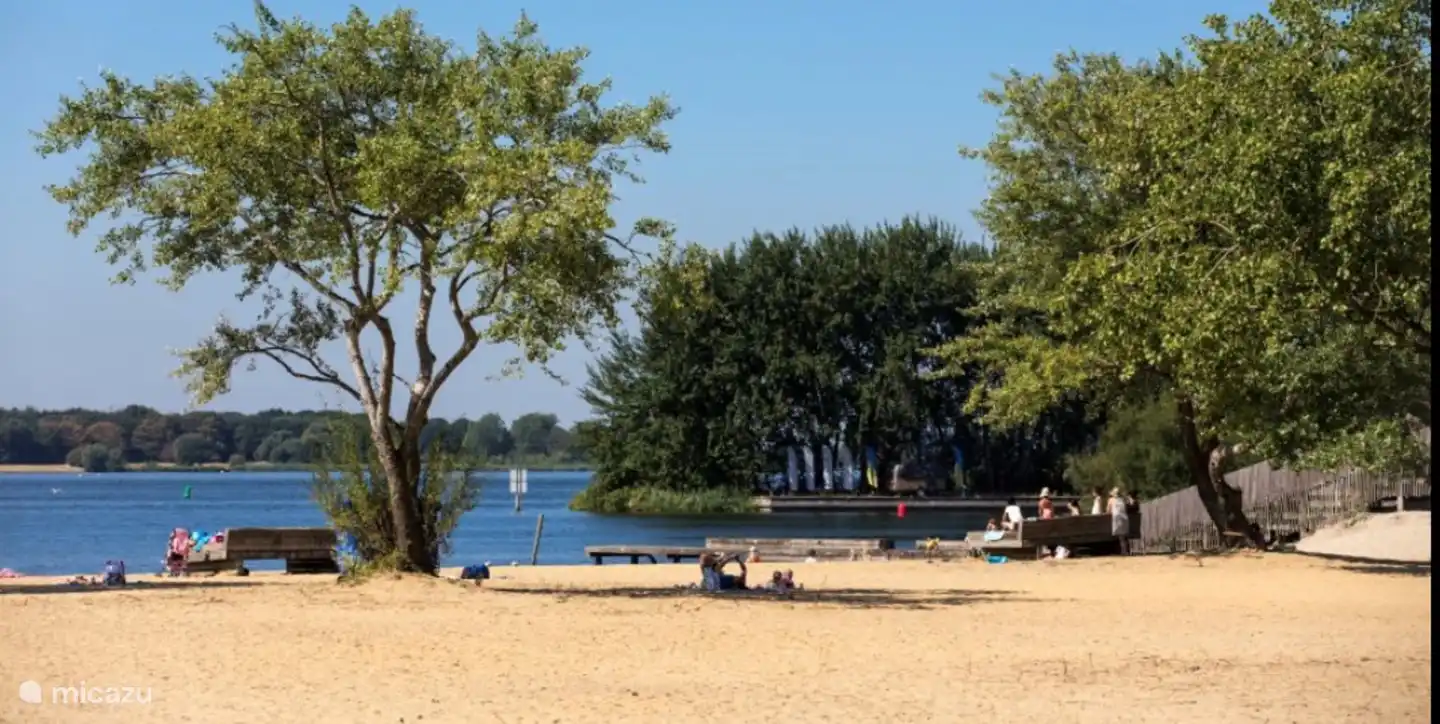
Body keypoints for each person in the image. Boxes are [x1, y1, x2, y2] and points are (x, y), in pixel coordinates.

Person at [1108, 487, 1131, 555]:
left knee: (1121, 537)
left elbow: (1108, 510)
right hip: (1124, 517)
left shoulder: (1111, 500)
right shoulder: (1123, 500)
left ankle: (1124, 551)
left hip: (1117, 518)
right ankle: (1125, 550)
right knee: (1124, 536)